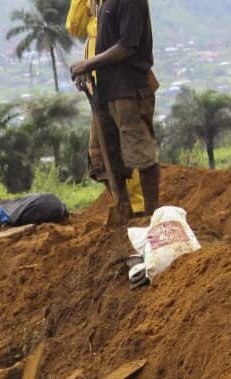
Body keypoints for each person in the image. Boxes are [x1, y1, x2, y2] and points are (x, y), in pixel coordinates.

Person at [69, 0, 160, 225]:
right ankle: (125, 212)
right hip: (104, 89)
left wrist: (88, 65)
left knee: (141, 155)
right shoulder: (101, 3)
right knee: (102, 158)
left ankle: (151, 218)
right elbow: (90, 36)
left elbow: (128, 45)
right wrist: (88, 70)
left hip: (129, 88)